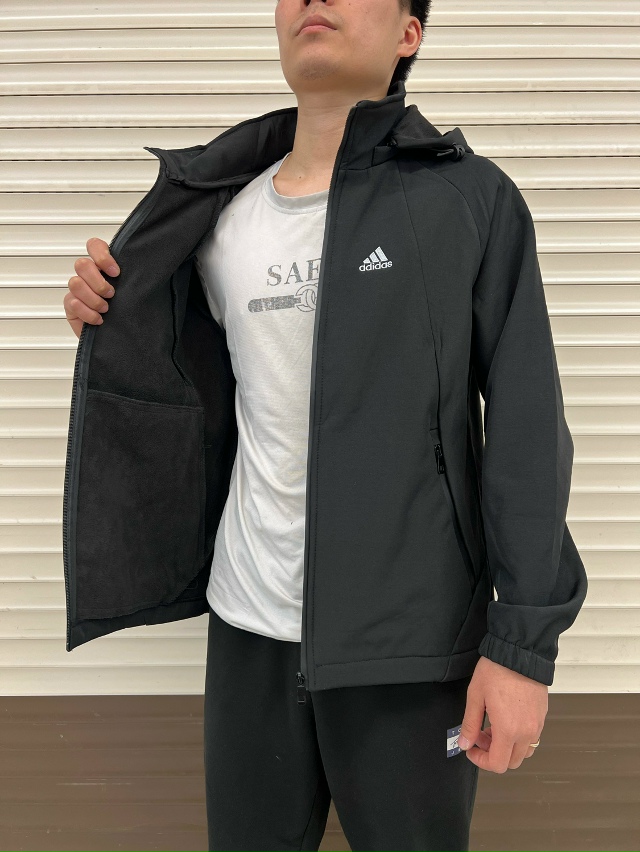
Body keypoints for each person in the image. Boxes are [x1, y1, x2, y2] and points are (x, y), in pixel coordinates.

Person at [62, 1, 588, 850]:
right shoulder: (214, 214)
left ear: (409, 34)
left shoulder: (470, 199)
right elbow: (190, 400)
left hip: (411, 644)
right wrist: (111, 316)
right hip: (248, 628)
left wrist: (522, 648)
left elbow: (528, 428)